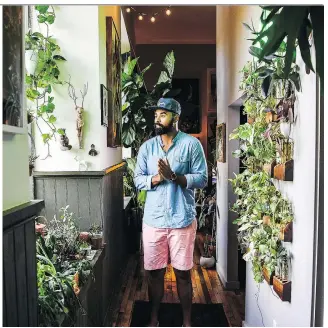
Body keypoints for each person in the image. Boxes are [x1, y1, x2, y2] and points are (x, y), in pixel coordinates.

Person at [134, 98, 208, 327]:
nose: (157, 119)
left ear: (175, 118)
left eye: (163, 114)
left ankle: (187, 322)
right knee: (154, 274)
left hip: (181, 220)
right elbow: (138, 179)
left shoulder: (191, 145)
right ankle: (154, 319)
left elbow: (203, 179)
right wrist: (157, 178)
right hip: (154, 221)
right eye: (156, 114)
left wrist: (174, 176)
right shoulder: (147, 148)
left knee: (183, 274)